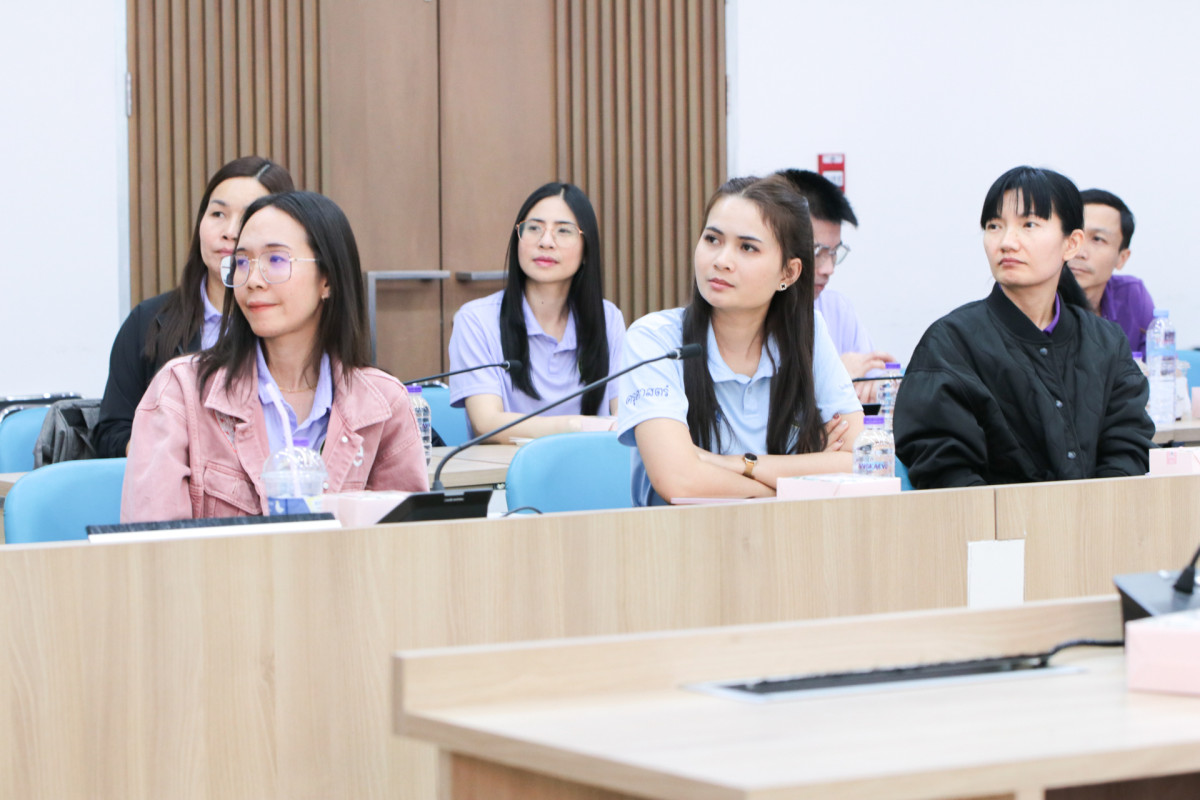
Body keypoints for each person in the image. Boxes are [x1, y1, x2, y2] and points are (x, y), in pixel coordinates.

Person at [121, 191, 429, 521]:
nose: (253, 281)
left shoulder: (382, 404)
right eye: (242, 262)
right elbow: (154, 544)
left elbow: (409, 539)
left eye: (276, 260)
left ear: (327, 279)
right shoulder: (182, 391)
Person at [894, 166, 1153, 489]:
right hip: (991, 521)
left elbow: (1127, 450)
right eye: (994, 226)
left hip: (1099, 518)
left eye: (1028, 224)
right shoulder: (950, 344)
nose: (1006, 242)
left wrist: (1096, 513)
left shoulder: (1106, 342)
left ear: (1071, 244)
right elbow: (945, 471)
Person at [618, 175, 863, 506]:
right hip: (682, 536)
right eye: (712, 239)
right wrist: (791, 486)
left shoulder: (809, 334)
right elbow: (680, 481)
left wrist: (736, 464)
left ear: (789, 273)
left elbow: (859, 460)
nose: (721, 260)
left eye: (747, 247)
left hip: (789, 533)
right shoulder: (656, 340)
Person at [95, 156, 295, 458]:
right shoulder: (148, 321)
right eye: (218, 214)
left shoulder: (291, 324)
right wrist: (166, 455)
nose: (229, 231)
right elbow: (111, 432)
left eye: (247, 217)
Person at [447, 182, 625, 441]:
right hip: (505, 466)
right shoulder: (476, 320)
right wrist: (576, 426)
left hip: (589, 464)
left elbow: (626, 415)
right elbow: (486, 423)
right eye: (533, 228)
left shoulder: (608, 319)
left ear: (587, 249)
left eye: (563, 231)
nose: (546, 242)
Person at [776, 169, 894, 402]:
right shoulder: (749, 315)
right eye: (818, 252)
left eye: (834, 252)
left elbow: (872, 380)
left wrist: (877, 387)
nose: (829, 268)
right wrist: (834, 376)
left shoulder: (837, 310)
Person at [1068, 188, 1155, 353]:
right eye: (1073, 236)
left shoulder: (1132, 295)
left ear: (1122, 258)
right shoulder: (1035, 297)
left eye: (1097, 239)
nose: (1079, 252)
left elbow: (1157, 362)